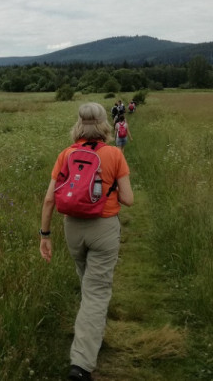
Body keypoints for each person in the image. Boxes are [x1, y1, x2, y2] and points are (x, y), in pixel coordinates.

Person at [39, 102, 134, 380]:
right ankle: (81, 364)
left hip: (72, 229)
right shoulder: (114, 154)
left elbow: (49, 199)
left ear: (79, 125)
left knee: (88, 285)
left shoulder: (66, 154)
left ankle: (90, 336)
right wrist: (113, 186)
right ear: (105, 125)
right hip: (103, 229)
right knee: (96, 292)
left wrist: (45, 235)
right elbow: (128, 200)